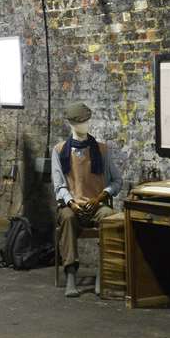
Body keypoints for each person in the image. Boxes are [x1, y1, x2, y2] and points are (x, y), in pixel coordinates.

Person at [52, 101, 121, 298]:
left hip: (96, 205)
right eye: (80, 122)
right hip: (72, 205)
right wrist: (71, 203)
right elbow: (58, 185)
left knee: (111, 218)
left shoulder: (101, 149)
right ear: (71, 124)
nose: (85, 125)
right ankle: (71, 275)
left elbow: (117, 180)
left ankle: (103, 272)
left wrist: (102, 195)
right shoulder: (59, 150)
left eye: (86, 121)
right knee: (67, 218)